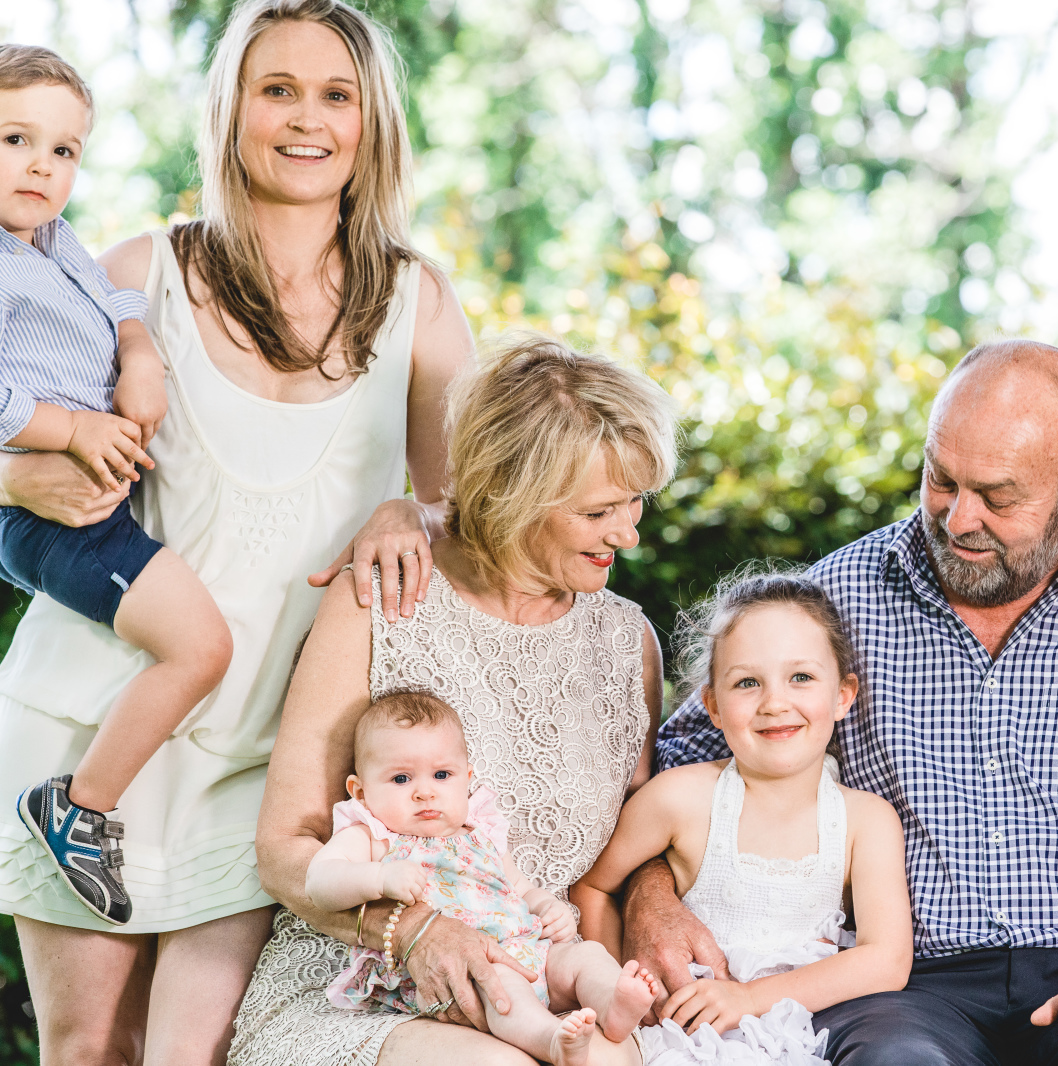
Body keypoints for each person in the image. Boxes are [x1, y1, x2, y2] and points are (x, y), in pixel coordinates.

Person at [0, 0, 471, 1059]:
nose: (307, 119)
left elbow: (470, 513)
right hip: (90, 731)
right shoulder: (135, 274)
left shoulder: (419, 301)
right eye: (277, 90)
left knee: (203, 1056)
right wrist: (19, 479)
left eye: (336, 95)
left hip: (273, 755)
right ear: (230, 111)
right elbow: (24, 436)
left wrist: (410, 506)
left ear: (371, 121)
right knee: (90, 1050)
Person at [642, 340, 1058, 1066]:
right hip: (903, 983)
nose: (960, 518)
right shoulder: (836, 597)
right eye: (941, 480)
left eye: (999, 498)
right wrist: (652, 898)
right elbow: (692, 758)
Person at [230, 337, 676, 1066]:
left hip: (542, 979)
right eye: (600, 511)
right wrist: (412, 932)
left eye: (636, 503)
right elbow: (285, 851)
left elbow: (641, 842)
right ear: (513, 495)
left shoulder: (630, 643)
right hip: (363, 987)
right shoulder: (381, 598)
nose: (627, 534)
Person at [0, 44, 233, 930]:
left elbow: (115, 300)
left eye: (63, 150)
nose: (41, 166)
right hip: (56, 517)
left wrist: (139, 354)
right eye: (16, 139)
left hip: (88, 502)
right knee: (200, 648)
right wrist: (73, 430)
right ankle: (78, 806)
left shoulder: (52, 241)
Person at [574, 569, 913, 1065]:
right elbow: (593, 886)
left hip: (798, 1041)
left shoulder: (866, 821)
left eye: (801, 677)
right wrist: (618, 997)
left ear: (843, 695)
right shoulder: (680, 798)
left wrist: (749, 998)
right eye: (747, 682)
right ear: (712, 705)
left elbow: (886, 960)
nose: (775, 703)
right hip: (674, 1039)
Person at [309, 691, 660, 1063]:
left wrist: (548, 908)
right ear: (361, 792)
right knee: (499, 981)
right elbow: (319, 882)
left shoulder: (480, 834)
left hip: (528, 953)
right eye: (400, 779)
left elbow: (520, 888)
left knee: (586, 955)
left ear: (466, 779)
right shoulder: (374, 838)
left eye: (441, 775)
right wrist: (379, 877)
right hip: (457, 971)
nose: (425, 792)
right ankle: (550, 1041)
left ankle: (612, 1005)